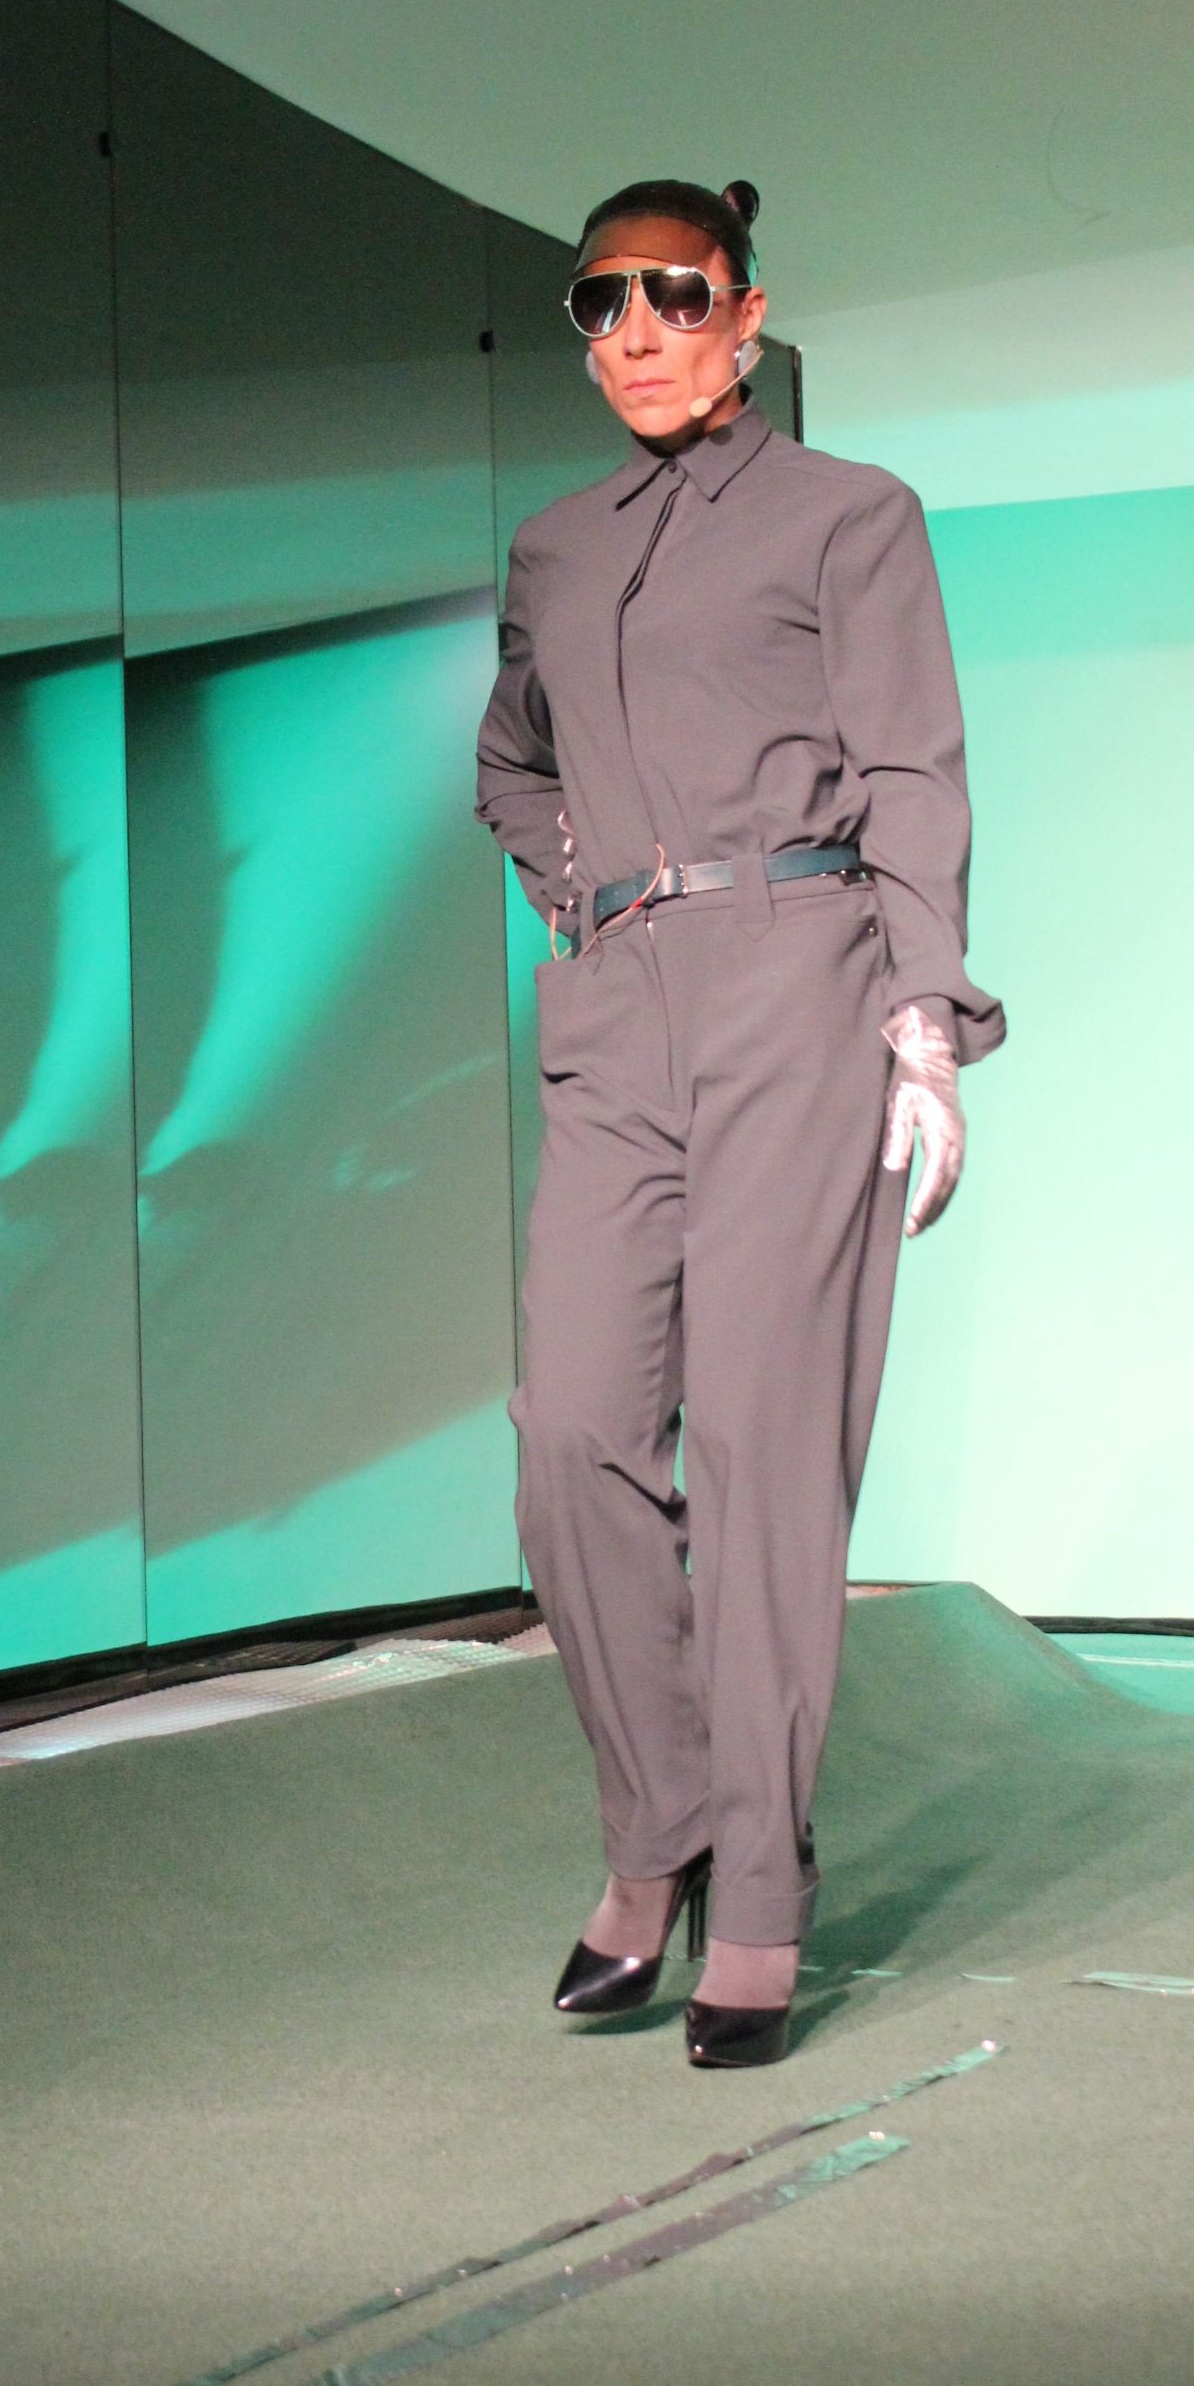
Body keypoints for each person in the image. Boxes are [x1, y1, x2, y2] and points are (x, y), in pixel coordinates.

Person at [476, 176, 1003, 2065]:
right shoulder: (555, 546)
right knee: (571, 1435)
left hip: (803, 978)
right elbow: (510, 755)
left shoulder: (850, 515)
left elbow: (913, 771)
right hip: (619, 1007)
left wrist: (924, 1021)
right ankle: (663, 1826)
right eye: (599, 303)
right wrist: (577, 890)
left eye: (673, 296)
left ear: (746, 314)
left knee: (771, 1447)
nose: (635, 331)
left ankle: (757, 1895)